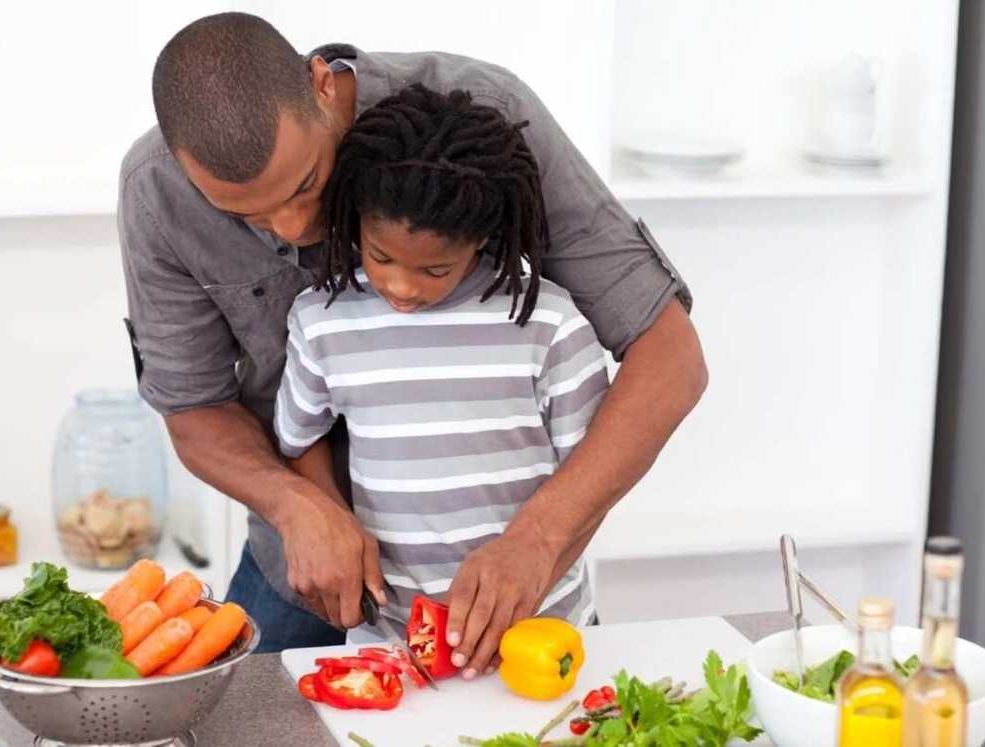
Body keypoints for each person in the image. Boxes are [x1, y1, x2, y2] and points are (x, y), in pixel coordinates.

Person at [118, 13, 705, 676]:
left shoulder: (487, 116)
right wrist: (297, 504)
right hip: (299, 564)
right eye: (246, 215)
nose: (296, 225)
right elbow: (194, 410)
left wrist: (537, 541)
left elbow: (671, 356)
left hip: (511, 584)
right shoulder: (156, 191)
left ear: (320, 84)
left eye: (307, 183)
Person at [275, 84, 607, 651]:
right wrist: (332, 519)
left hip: (541, 633)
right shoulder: (323, 322)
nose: (402, 287)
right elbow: (298, 439)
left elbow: (592, 483)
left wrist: (532, 567)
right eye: (380, 257)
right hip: (390, 641)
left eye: (435, 269)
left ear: (481, 239)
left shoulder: (548, 325)